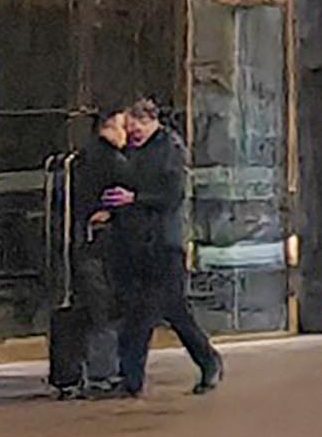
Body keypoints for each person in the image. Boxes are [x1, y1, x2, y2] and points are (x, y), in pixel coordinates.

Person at [103, 95, 224, 399]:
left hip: (164, 244)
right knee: (142, 312)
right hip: (137, 245)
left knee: (166, 311)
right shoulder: (131, 150)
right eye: (129, 129)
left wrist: (135, 198)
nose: (132, 134)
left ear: (150, 120)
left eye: (136, 127)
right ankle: (132, 377)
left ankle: (206, 361)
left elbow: (173, 193)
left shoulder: (170, 148)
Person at [53, 105, 132, 398]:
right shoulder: (112, 161)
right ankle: (103, 374)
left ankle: (68, 376)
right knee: (103, 311)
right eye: (123, 127)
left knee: (77, 311)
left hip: (77, 245)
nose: (127, 134)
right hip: (98, 247)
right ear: (109, 128)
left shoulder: (78, 160)